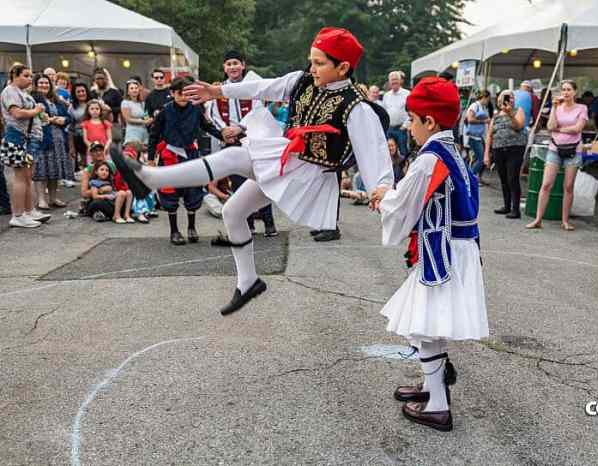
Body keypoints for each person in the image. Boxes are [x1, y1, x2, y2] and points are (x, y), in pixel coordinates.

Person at [113, 27, 393, 314]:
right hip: (286, 159)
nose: (312, 68)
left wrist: (380, 188)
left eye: (320, 63)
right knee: (232, 212)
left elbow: (374, 152)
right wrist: (218, 91)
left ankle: (150, 179)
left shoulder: (356, 107)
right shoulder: (302, 81)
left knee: (234, 157)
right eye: (311, 60)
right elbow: (263, 87)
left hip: (308, 176)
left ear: (343, 67)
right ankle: (248, 282)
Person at [370, 77, 488, 432]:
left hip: (444, 251)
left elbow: (404, 200)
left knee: (424, 322)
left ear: (430, 122)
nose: (408, 126)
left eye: (412, 119)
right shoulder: (453, 151)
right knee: (424, 321)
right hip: (454, 248)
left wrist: (380, 197)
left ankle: (437, 403)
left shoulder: (429, 158)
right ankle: (432, 385)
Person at [205, 50, 278, 237]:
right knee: (238, 182)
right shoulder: (219, 89)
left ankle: (269, 223)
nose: (232, 67)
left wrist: (240, 127)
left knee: (259, 179)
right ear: (224, 68)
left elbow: (258, 110)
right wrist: (223, 130)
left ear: (243, 65)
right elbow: (213, 114)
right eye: (228, 64)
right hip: (230, 140)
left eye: (236, 63)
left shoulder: (253, 86)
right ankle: (249, 224)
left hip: (251, 137)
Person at [147, 76, 226, 245]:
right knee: (170, 193)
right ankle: (174, 231)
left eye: (187, 94)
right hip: (170, 156)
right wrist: (151, 158)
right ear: (172, 93)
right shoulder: (164, 112)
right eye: (180, 93)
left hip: (190, 155)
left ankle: (192, 228)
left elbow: (207, 127)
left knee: (193, 191)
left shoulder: (196, 110)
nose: (184, 97)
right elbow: (153, 135)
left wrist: (223, 136)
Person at [526, 80, 587, 230]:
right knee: (546, 184)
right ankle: (538, 219)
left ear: (575, 92)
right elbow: (550, 126)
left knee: (568, 186)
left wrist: (560, 129)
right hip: (555, 148)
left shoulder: (581, 108)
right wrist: (554, 108)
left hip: (573, 149)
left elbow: (577, 128)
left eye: (569, 90)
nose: (566, 92)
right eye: (563, 90)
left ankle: (565, 220)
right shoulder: (557, 108)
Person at [0, 63, 51, 227]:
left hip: (29, 138)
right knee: (20, 177)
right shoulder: (10, 92)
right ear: (15, 75)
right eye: (26, 75)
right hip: (18, 137)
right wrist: (36, 111)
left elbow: (30, 113)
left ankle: (29, 211)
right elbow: (17, 113)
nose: (30, 79)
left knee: (28, 177)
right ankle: (18, 215)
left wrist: (40, 115)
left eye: (30, 76)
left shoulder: (23, 93)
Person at [30, 73, 73, 210]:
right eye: (41, 83)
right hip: (42, 138)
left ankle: (53, 198)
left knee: (55, 170)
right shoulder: (33, 99)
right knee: (42, 170)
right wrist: (54, 119)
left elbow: (68, 117)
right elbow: (41, 118)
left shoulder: (56, 100)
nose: (44, 85)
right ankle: (42, 199)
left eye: (46, 83)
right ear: (36, 85)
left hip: (58, 139)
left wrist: (63, 120)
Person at [484, 90, 527, 219]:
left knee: (512, 178)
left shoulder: (518, 111)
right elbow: (490, 135)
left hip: (515, 149)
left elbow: (519, 126)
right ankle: (507, 205)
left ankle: (515, 209)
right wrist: (487, 153)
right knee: (503, 179)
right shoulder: (496, 115)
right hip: (498, 150)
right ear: (499, 100)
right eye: (506, 97)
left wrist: (510, 114)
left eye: (512, 97)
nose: (510, 99)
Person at [80, 142, 117, 221]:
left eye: (100, 150)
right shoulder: (88, 170)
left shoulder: (111, 165)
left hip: (112, 197)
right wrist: (101, 190)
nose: (99, 152)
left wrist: (112, 189)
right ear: (91, 153)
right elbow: (84, 193)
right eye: (95, 151)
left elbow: (118, 183)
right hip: (96, 199)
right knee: (97, 204)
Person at [464, 90, 491, 184]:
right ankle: (470, 177)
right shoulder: (474, 106)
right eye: (488, 98)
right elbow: (470, 119)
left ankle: (474, 177)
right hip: (473, 137)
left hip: (478, 136)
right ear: (484, 97)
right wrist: (484, 121)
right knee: (482, 159)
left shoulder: (481, 107)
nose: (488, 101)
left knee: (478, 158)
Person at [383, 71, 410, 157]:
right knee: (389, 153)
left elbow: (411, 112)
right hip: (389, 129)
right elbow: (384, 112)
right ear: (389, 82)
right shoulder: (386, 95)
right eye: (392, 80)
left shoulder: (407, 94)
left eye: (395, 79)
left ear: (400, 81)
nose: (394, 82)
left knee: (403, 152)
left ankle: (403, 170)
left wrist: (405, 126)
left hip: (401, 129)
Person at [68, 82, 91, 170]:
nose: (81, 93)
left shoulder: (93, 103)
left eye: (83, 91)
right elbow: (70, 128)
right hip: (79, 138)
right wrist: (71, 147)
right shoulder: (72, 108)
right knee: (85, 164)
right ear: (75, 94)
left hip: (94, 137)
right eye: (78, 92)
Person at [121, 79, 151, 146]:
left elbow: (146, 116)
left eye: (136, 88)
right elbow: (128, 119)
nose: (134, 90)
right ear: (128, 92)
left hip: (144, 133)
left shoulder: (143, 103)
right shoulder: (125, 103)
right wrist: (143, 121)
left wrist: (149, 120)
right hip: (132, 133)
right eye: (131, 88)